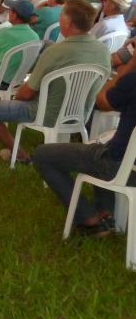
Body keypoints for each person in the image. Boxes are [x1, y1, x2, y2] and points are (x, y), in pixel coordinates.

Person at [0, 0, 111, 163]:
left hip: (45, 113)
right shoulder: (103, 51)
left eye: (61, 15)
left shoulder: (55, 51)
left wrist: (16, 99)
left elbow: (26, 94)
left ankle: (21, 155)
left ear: (69, 22)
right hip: (81, 114)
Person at [34, 54, 136, 236]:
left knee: (42, 155)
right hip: (128, 163)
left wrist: (131, 64)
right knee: (99, 147)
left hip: (123, 167)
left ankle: (89, 220)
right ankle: (106, 212)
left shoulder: (132, 81)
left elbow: (102, 101)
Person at [0, 0, 39, 87]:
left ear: (14, 15)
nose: (8, 13)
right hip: (17, 83)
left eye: (10, 10)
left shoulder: (5, 33)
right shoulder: (35, 37)